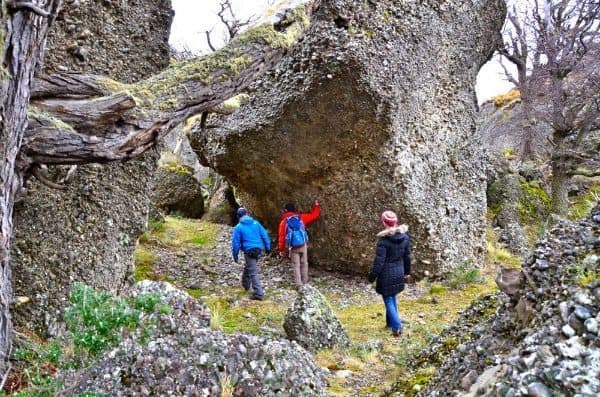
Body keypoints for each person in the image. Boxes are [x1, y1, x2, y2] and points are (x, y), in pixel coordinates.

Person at [368, 210, 412, 337]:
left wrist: (372, 276)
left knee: (388, 299)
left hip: (386, 275)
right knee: (392, 296)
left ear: (384, 222)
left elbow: (379, 262)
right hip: (399, 272)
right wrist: (407, 273)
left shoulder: (383, 241)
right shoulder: (405, 237)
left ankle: (397, 327)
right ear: (395, 222)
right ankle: (390, 322)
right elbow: (407, 257)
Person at [277, 199, 320, 287]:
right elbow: (314, 215)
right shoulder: (301, 218)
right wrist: (316, 205)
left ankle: (299, 284)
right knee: (304, 263)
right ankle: (305, 282)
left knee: (296, 265)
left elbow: (281, 238)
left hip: (293, 247)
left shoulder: (283, 222)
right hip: (302, 244)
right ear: (294, 210)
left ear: (285, 211)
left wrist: (281, 250)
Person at [232, 207, 271, 300]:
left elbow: (235, 243)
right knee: (250, 266)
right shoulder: (256, 223)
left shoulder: (238, 227)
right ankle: (245, 284)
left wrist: (235, 255)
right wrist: (268, 248)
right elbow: (264, 235)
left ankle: (258, 293)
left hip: (249, 251)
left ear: (238, 216)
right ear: (247, 213)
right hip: (258, 249)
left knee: (253, 271)